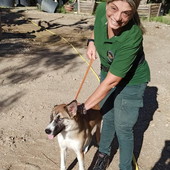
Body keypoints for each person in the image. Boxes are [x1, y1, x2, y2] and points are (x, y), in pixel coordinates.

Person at [78, 0, 150, 170]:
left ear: (133, 14)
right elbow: (98, 28)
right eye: (114, 9)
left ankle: (125, 167)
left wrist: (83, 109)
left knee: (123, 127)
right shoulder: (102, 8)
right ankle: (103, 154)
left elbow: (112, 81)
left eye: (126, 13)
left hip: (131, 81)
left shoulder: (132, 36)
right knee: (107, 115)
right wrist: (91, 41)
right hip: (108, 70)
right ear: (108, 4)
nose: (117, 18)